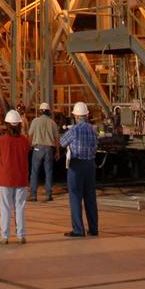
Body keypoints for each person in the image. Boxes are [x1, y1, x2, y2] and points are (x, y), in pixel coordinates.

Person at [60, 100, 99, 237]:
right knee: (90, 197)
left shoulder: (74, 130)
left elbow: (62, 142)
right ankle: (93, 229)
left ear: (76, 116)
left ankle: (78, 230)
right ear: (86, 115)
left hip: (76, 165)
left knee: (75, 197)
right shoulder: (93, 130)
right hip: (90, 165)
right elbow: (96, 146)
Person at [0, 109, 29, 245]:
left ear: (7, 125)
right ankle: (21, 236)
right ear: (20, 125)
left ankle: (4, 236)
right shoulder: (24, 140)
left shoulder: (2, 140)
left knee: (5, 207)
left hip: (6, 178)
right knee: (20, 207)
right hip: (21, 178)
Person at [28, 101, 59, 202]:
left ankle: (33, 195)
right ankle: (48, 195)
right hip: (49, 149)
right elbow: (57, 138)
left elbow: (30, 135)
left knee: (35, 172)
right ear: (48, 111)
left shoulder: (35, 121)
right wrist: (57, 151)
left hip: (37, 148)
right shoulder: (52, 123)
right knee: (48, 172)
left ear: (40, 111)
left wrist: (29, 147)